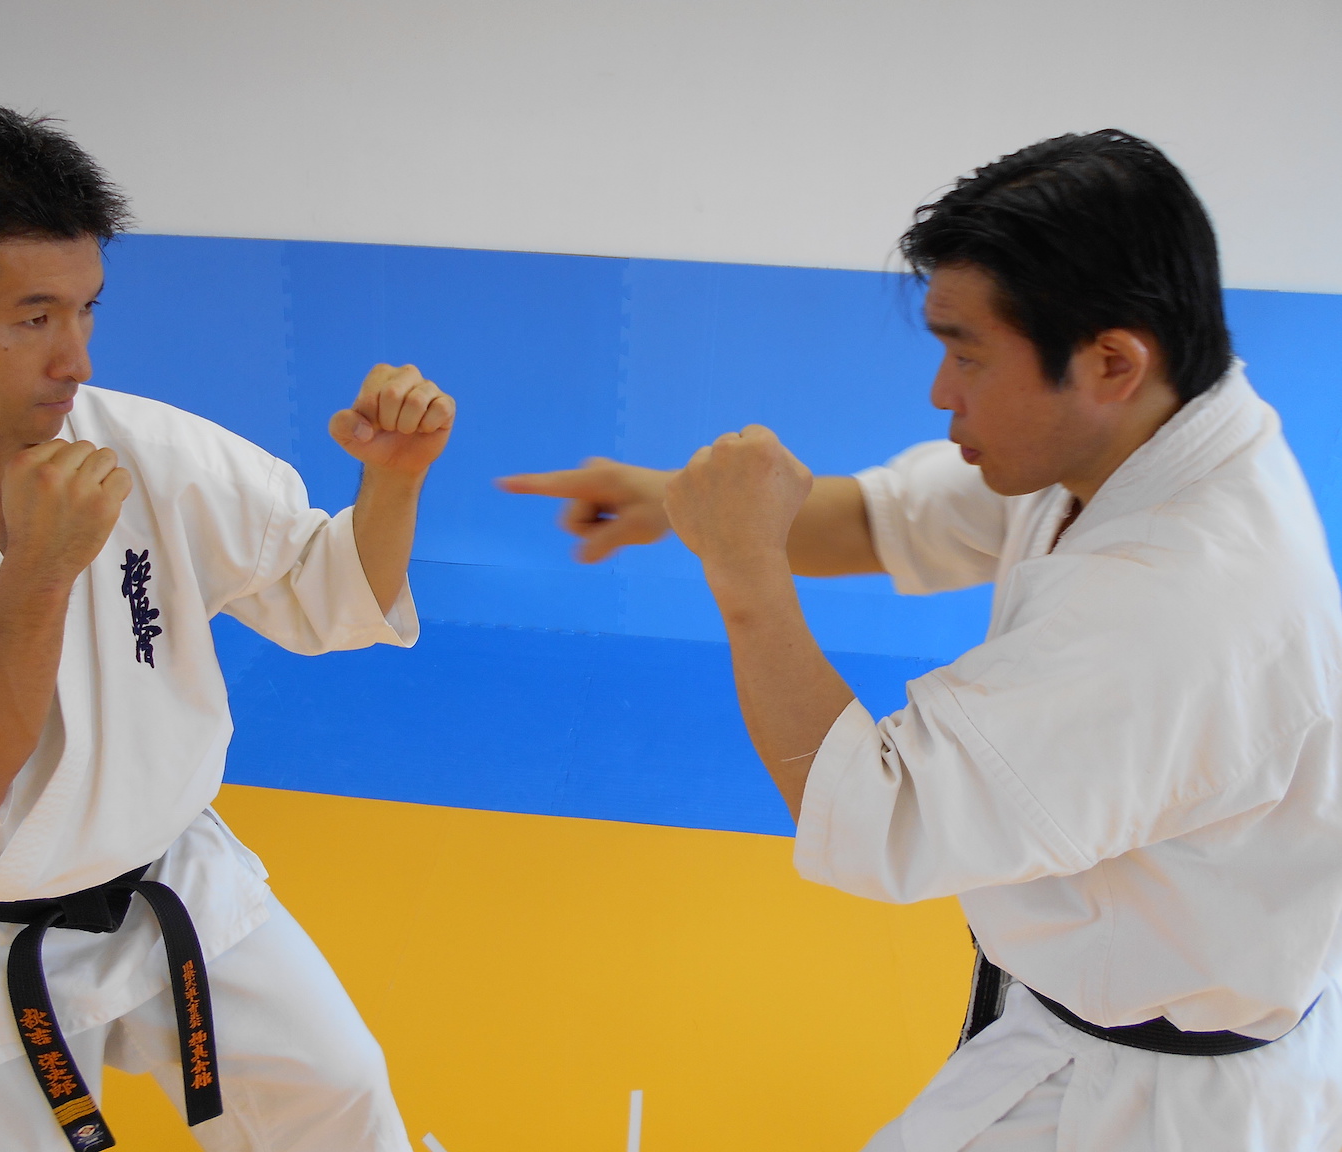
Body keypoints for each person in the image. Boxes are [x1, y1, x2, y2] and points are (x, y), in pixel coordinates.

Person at [501, 130, 1342, 1149]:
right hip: (1098, 1006)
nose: (941, 390)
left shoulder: (1172, 609)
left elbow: (872, 817)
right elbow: (881, 520)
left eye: (966, 353)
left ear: (1111, 361)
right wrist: (673, 501)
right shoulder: (1150, 434)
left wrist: (744, 574)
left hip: (1146, 1106)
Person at [0, 97, 455, 1152]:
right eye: (32, 318)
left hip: (170, 884)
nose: (75, 358)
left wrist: (391, 484)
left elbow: (326, 592)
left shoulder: (137, 445)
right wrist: (42, 566)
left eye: (85, 310)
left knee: (338, 1094)